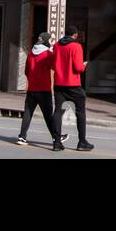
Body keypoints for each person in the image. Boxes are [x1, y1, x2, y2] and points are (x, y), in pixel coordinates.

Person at [15, 32, 66, 147]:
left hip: (32, 89)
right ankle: (56, 137)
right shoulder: (48, 54)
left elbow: (26, 71)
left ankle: (22, 137)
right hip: (44, 89)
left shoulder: (31, 53)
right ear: (47, 41)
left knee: (28, 113)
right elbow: (56, 67)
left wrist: (32, 80)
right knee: (48, 115)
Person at [51, 24, 93, 152]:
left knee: (58, 112)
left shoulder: (57, 46)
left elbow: (53, 64)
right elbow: (78, 68)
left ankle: (57, 142)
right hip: (73, 84)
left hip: (59, 83)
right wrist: (84, 65)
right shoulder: (76, 46)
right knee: (80, 112)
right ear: (75, 35)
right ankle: (82, 142)